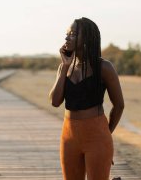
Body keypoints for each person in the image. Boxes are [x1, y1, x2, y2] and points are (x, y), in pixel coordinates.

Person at [48, 17, 125, 180]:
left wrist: (106, 133)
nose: (67, 38)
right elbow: (55, 102)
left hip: (97, 136)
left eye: (73, 34)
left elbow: (119, 105)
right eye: (67, 34)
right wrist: (64, 69)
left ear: (86, 39)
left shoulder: (104, 68)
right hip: (69, 136)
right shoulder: (65, 67)